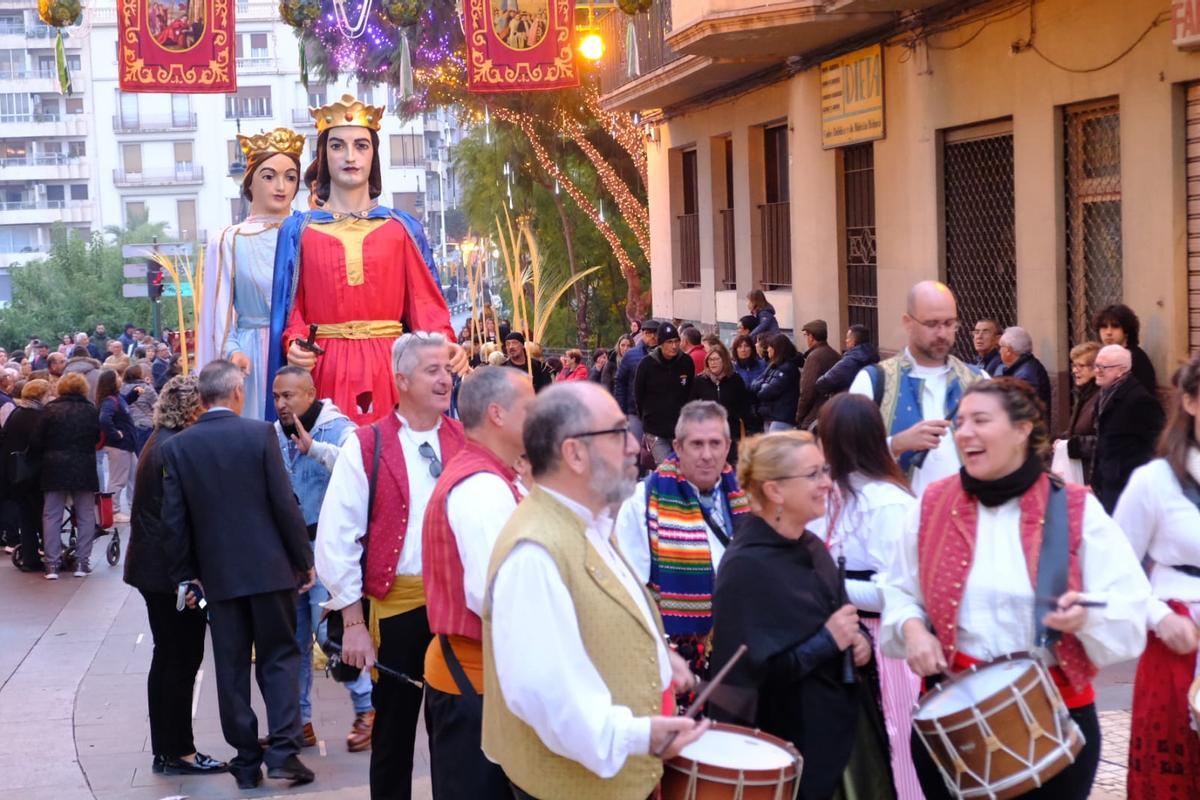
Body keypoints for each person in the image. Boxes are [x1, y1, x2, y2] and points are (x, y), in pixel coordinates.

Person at [881, 378, 1151, 800]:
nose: (965, 432)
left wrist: (1085, 616)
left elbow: (1130, 606)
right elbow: (899, 590)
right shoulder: (932, 504)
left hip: (1055, 719)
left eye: (981, 420)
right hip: (953, 723)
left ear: (1023, 429)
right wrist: (913, 631)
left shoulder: (1076, 507)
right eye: (961, 422)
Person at [481, 382, 708, 798]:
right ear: (575, 453)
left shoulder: (590, 521)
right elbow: (549, 699)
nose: (633, 445)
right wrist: (641, 736)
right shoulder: (535, 553)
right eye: (619, 432)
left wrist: (659, 658)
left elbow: (604, 616)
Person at [316, 332, 466, 800]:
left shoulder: (467, 441)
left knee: (457, 736)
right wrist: (353, 621)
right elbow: (336, 538)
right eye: (432, 371)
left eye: (447, 369)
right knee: (393, 735)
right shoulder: (367, 445)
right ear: (401, 380)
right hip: (396, 608)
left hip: (459, 613)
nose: (445, 380)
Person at [159, 360, 316, 791]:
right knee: (280, 659)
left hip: (219, 578)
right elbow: (284, 503)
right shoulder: (259, 434)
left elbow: (175, 520)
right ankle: (284, 752)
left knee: (230, 668)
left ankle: (247, 759)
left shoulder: (178, 448)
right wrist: (303, 558)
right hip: (269, 570)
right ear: (235, 393)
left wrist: (187, 576)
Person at [709, 431, 886, 800]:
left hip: (846, 735)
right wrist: (827, 642)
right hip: (794, 754)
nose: (826, 483)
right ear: (774, 490)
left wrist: (861, 645)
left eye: (824, 471)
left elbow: (841, 621)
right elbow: (744, 682)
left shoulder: (811, 548)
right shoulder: (745, 567)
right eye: (813, 475)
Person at [269, 95, 464, 425]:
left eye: (360, 145)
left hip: (392, 368)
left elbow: (425, 305)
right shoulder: (298, 230)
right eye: (337, 146)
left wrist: (445, 343)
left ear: (373, 154)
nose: (349, 156)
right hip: (324, 368)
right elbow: (291, 309)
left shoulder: (401, 227)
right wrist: (295, 343)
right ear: (323, 155)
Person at [421, 366, 533, 799]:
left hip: (484, 681)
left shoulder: (494, 476)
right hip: (476, 683)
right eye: (530, 406)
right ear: (497, 414)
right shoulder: (483, 487)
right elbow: (495, 595)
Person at [810, 393, 921, 799]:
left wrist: (829, 589)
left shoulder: (887, 504)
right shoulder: (829, 492)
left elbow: (900, 591)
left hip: (883, 651)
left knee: (895, 750)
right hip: (839, 643)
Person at [123, 376, 228, 777]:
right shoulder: (174, 447)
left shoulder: (162, 440)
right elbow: (174, 520)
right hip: (167, 574)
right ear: (194, 410)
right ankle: (177, 751)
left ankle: (169, 749)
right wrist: (187, 578)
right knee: (180, 659)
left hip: (156, 570)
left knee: (169, 657)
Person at [270, 366, 374, 752]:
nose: (281, 404)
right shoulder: (273, 434)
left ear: (311, 393)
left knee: (328, 634)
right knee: (293, 640)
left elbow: (359, 469)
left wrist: (315, 449)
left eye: (289, 396)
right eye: (277, 396)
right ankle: (301, 722)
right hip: (290, 553)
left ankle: (367, 709)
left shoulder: (338, 429)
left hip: (328, 552)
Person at [1114, 353, 1200, 800]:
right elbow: (1114, 570)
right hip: (1177, 647)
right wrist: (1159, 617)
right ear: (1189, 401)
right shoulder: (1155, 482)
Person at [615, 400, 750, 683]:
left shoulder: (747, 495)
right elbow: (630, 588)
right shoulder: (644, 500)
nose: (707, 455)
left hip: (742, 648)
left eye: (715, 444)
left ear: (728, 446)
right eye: (696, 444)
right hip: (679, 659)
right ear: (677, 447)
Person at [198, 127, 305, 420]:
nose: (281, 186)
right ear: (250, 182)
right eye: (269, 176)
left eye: (290, 177)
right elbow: (219, 313)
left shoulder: (309, 234)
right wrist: (233, 352)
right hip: (253, 357)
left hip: (302, 354)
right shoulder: (229, 240)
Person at [850, 281, 986, 496]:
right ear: (908, 322)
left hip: (967, 522)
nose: (942, 333)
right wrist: (896, 444)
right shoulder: (874, 381)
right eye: (932, 324)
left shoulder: (979, 382)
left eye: (949, 323)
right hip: (897, 525)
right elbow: (846, 461)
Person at [32, 372, 100, 579]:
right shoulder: (90, 410)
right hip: (83, 465)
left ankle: (52, 564)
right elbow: (96, 437)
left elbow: (36, 440)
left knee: (52, 515)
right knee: (86, 515)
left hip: (54, 466)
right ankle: (82, 561)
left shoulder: (50, 409)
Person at [1090, 344, 1165, 513]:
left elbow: (1158, 444)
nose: (1097, 371)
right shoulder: (1105, 394)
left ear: (1122, 370)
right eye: (1096, 365)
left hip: (1127, 485)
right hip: (1108, 481)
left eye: (1104, 367)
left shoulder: (1139, 400)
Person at [4, 379, 50, 571]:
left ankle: (30, 557)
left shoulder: (16, 412)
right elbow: (41, 444)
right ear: (41, 395)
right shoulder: (39, 416)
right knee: (41, 515)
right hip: (35, 473)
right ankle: (48, 552)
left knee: (26, 517)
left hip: (17, 473)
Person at [634, 322, 696, 464]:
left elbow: (691, 393)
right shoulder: (646, 365)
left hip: (680, 430)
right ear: (660, 344)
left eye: (676, 341)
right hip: (655, 429)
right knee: (667, 469)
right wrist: (646, 419)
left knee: (683, 470)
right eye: (669, 342)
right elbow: (638, 396)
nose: (674, 346)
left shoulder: (686, 362)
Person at [689, 343, 750, 455]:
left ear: (724, 361)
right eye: (710, 360)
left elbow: (744, 406)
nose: (713, 363)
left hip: (731, 433)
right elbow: (692, 407)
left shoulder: (735, 380)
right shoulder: (699, 381)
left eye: (716, 359)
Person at [1055, 342, 1100, 483]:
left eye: (1081, 366)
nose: (1075, 370)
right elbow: (1076, 430)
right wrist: (1060, 440)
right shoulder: (1084, 394)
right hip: (1080, 470)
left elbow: (1102, 441)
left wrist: (1071, 445)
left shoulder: (1100, 397)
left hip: (1093, 475)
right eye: (1074, 365)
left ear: (1095, 369)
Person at [96, 369, 137, 524]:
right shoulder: (109, 401)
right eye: (117, 377)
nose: (120, 379)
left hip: (127, 446)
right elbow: (104, 419)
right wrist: (115, 434)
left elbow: (124, 403)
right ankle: (112, 511)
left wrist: (134, 395)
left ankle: (133, 506)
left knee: (134, 475)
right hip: (119, 446)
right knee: (117, 479)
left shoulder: (117, 398)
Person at [1093, 303, 1156, 394]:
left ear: (1126, 331)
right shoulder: (1103, 356)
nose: (1108, 332)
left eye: (1115, 326)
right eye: (1104, 327)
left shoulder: (1136, 358)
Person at [614, 319, 659, 442]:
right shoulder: (631, 355)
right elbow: (620, 382)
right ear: (643, 334)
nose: (653, 336)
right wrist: (622, 411)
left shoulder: (667, 354)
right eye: (649, 333)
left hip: (659, 412)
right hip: (635, 411)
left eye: (655, 333)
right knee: (635, 447)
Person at [750, 332, 801, 432]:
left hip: (782, 418)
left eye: (770, 347)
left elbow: (767, 391)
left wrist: (761, 385)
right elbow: (754, 384)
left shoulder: (787, 368)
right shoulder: (773, 366)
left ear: (777, 349)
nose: (767, 349)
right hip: (771, 416)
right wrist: (762, 384)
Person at [795, 319, 840, 430]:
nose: (806, 339)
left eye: (806, 335)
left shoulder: (814, 357)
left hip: (815, 417)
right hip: (832, 412)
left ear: (811, 337)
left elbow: (807, 391)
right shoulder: (835, 354)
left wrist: (799, 416)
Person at [996, 326, 1052, 414]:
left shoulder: (1025, 375)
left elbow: (1021, 409)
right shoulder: (1025, 367)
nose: (999, 351)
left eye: (1001, 347)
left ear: (1008, 350)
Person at [814, 324, 878, 399]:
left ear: (853, 341)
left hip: (847, 403)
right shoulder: (874, 357)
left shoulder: (849, 361)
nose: (846, 341)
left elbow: (823, 382)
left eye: (847, 338)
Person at [122, 364, 158, 454]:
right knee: (144, 455)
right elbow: (157, 404)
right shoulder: (146, 388)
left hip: (128, 425)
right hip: (145, 424)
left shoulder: (121, 388)